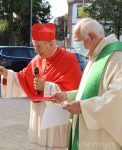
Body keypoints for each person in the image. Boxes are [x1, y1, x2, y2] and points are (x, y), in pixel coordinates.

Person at [0, 23, 82, 149]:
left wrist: (46, 86)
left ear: (51, 43)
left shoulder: (69, 59)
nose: (36, 51)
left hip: (57, 118)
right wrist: (6, 73)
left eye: (39, 47)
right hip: (38, 115)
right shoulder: (37, 59)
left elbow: (75, 92)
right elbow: (22, 78)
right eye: (34, 47)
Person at [52, 18, 122, 150]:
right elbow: (91, 91)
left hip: (102, 138)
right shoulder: (96, 55)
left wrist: (83, 107)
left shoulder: (117, 57)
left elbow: (118, 99)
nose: (77, 46)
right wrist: (67, 96)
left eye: (79, 42)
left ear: (92, 37)